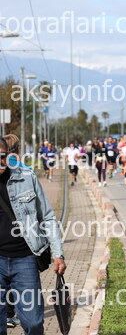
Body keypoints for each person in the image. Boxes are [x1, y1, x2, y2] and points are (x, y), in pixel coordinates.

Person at [0, 137, 66, 335]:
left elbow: (47, 217)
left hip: (25, 258)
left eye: (2, 156)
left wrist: (58, 253)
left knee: (34, 322)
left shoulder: (26, 176)